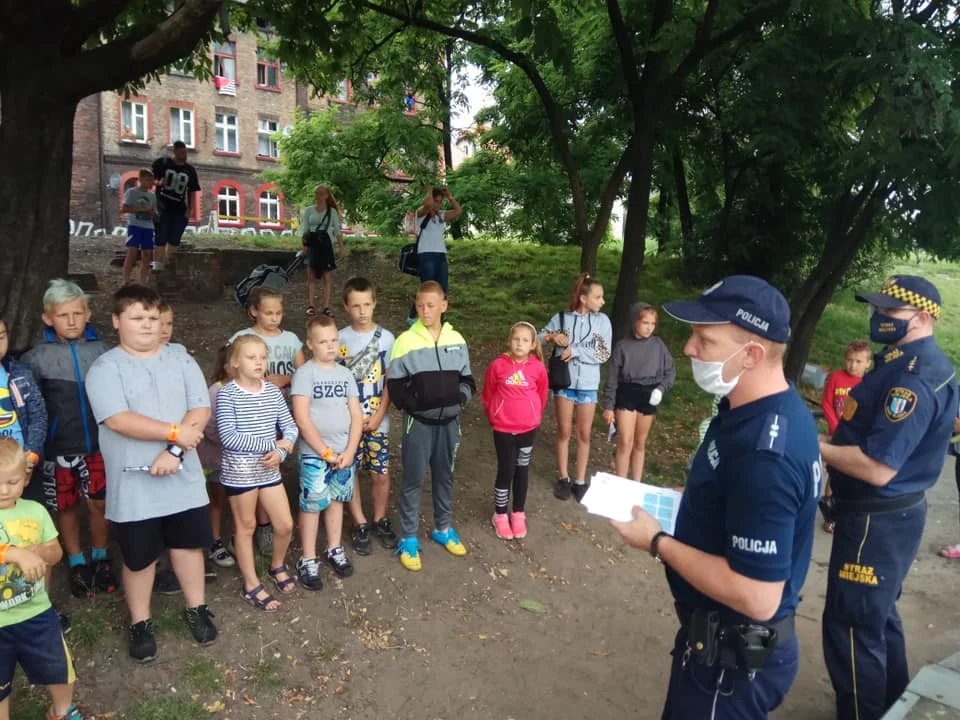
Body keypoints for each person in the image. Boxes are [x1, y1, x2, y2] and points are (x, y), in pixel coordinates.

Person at [612, 275, 820, 720]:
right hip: (714, 644)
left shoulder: (766, 456)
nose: (689, 348)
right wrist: (688, 498)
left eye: (705, 340)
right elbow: (734, 496)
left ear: (752, 355)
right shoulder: (749, 408)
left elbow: (757, 596)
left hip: (731, 666)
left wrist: (657, 542)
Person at [820, 275, 958, 720]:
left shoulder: (913, 381)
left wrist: (813, 446)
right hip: (891, 518)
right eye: (877, 308)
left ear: (923, 318)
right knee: (877, 617)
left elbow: (879, 468)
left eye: (890, 312)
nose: (878, 317)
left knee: (852, 629)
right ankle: (897, 705)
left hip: (874, 523)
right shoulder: (906, 363)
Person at [85, 284, 217, 663]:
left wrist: (174, 452)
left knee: (188, 547)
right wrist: (174, 433)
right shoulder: (105, 369)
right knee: (139, 558)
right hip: (134, 485)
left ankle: (197, 609)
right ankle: (140, 623)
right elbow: (118, 419)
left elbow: (199, 409)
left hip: (183, 478)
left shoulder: (181, 359)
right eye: (137, 317)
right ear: (116, 321)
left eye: (153, 317)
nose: (147, 325)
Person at [21, 280, 114, 600]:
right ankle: (76, 562)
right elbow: (32, 407)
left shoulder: (104, 351)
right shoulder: (36, 357)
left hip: (99, 445)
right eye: (63, 315)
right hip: (58, 447)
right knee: (66, 505)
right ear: (48, 318)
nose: (72, 321)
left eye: (78, 313)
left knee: (100, 502)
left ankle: (101, 557)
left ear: (88, 314)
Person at [388, 281, 475, 571]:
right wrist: (413, 405)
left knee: (444, 477)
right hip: (419, 425)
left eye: (431, 305)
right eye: (420, 305)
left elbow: (467, 379)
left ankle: (443, 528)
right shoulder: (405, 341)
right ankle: (408, 538)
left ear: (443, 306)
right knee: (413, 480)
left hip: (449, 424)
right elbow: (395, 385)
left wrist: (460, 400)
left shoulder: (457, 339)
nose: (425, 311)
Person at [0, 439, 84, 720]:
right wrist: (13, 553)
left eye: (11, 482)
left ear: (25, 478)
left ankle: (62, 711)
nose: (3, 490)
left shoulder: (35, 512)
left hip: (36, 612)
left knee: (58, 668)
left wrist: (38, 552)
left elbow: (56, 552)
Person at [216, 335, 298, 612]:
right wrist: (271, 445)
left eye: (263, 357)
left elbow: (290, 428)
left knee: (284, 524)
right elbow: (229, 437)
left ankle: (277, 565)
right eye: (251, 357)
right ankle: (250, 584)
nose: (259, 362)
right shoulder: (227, 394)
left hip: (269, 470)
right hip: (240, 473)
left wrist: (282, 452)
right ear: (235, 362)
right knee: (246, 527)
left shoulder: (273, 392)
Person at [228, 287, 305, 556]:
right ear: (254, 311)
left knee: (277, 464)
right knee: (260, 465)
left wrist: (286, 379)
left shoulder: (292, 340)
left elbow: (304, 371)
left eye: (278, 313)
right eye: (268, 313)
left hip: (285, 408)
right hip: (252, 415)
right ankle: (262, 525)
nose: (274, 318)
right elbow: (228, 371)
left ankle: (280, 515)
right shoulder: (241, 339)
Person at [291, 315, 363, 588]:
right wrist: (324, 452)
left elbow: (356, 415)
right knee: (312, 503)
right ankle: (308, 558)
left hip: (343, 452)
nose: (331, 346)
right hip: (315, 454)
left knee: (336, 500)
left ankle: (334, 547)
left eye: (334, 340)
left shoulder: (345, 374)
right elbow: (302, 418)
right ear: (310, 344)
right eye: (323, 342)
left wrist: (350, 450)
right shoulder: (305, 374)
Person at [337, 278, 399, 555]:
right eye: (356, 306)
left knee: (380, 473)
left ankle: (380, 517)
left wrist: (379, 415)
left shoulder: (387, 339)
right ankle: (359, 521)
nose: (362, 311)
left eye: (366, 305)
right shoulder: (339, 338)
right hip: (347, 422)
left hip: (377, 420)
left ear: (375, 303)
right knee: (350, 471)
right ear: (346, 307)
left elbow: (390, 381)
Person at [539, 273, 612, 502]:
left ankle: (580, 481)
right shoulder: (562, 318)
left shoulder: (603, 322)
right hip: (564, 382)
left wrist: (577, 351)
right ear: (583, 298)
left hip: (588, 385)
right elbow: (538, 338)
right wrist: (552, 337)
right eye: (598, 297)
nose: (602, 302)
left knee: (584, 433)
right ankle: (563, 478)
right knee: (564, 431)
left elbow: (604, 353)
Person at [481, 321, 548, 540]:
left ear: (532, 344)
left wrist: (533, 416)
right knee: (506, 470)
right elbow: (488, 392)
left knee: (522, 470)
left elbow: (542, 394)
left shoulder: (538, 368)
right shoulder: (498, 366)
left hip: (528, 430)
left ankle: (518, 512)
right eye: (516, 339)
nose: (520, 344)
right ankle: (500, 514)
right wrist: (495, 415)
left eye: (525, 340)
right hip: (503, 430)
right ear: (509, 341)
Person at [602, 303, 676, 481]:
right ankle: (621, 483)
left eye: (652, 324)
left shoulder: (658, 345)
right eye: (645, 323)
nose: (649, 327)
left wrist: (661, 389)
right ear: (635, 321)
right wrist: (609, 406)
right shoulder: (622, 346)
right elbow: (612, 379)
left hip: (649, 394)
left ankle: (636, 484)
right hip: (627, 393)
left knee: (640, 443)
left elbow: (671, 371)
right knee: (625, 442)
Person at [819, 339, 871, 533]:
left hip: (858, 437)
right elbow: (827, 403)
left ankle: (848, 513)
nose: (853, 365)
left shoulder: (869, 383)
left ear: (868, 363)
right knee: (835, 473)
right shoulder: (836, 378)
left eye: (858, 361)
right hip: (838, 435)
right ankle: (830, 514)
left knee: (855, 474)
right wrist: (836, 427)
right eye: (849, 360)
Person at [197, 344, 235, 569]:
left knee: (234, 499)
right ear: (227, 366)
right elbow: (209, 426)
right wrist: (235, 440)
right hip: (213, 459)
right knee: (215, 499)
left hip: (235, 459)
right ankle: (214, 541)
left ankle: (236, 540)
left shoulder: (250, 389)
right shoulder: (216, 391)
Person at [406, 185, 462, 323]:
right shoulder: (421, 213)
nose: (437, 204)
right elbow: (427, 205)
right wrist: (430, 190)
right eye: (436, 201)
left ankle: (439, 321)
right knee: (427, 288)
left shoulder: (441, 215)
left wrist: (449, 195)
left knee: (442, 290)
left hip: (440, 255)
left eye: (440, 202)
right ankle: (413, 316)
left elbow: (458, 211)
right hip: (426, 255)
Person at [151, 140, 200, 270]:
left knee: (174, 239)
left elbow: (192, 190)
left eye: (185, 152)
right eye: (181, 152)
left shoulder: (190, 170)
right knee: (161, 238)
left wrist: (190, 209)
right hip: (162, 206)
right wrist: (159, 183)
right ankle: (157, 267)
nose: (184, 155)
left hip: (179, 209)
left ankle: (169, 266)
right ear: (175, 152)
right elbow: (150, 180)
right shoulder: (163, 164)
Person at [301, 185, 344, 317]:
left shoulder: (332, 212)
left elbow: (337, 231)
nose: (318, 196)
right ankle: (311, 305)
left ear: (326, 195)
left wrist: (341, 248)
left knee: (327, 277)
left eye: (321, 193)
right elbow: (305, 230)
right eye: (316, 193)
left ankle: (326, 307)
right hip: (313, 246)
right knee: (311, 276)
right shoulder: (309, 210)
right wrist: (304, 246)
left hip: (327, 246)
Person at [120, 168, 158, 285]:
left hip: (148, 227)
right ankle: (126, 280)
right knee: (132, 252)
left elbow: (155, 213)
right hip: (134, 226)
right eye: (148, 180)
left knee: (147, 255)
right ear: (141, 179)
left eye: (152, 180)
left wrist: (152, 213)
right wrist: (141, 210)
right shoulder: (132, 192)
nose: (150, 183)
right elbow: (124, 209)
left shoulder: (152, 196)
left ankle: (143, 281)